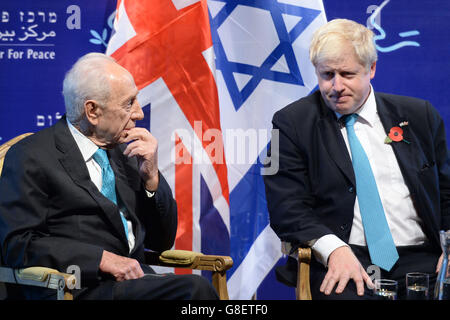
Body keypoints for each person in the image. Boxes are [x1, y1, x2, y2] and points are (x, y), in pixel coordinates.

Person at [0, 53, 218, 300]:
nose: (139, 114)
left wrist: (151, 179)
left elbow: (162, 241)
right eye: (129, 103)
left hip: (135, 285)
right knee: (194, 290)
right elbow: (19, 244)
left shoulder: (126, 154)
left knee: (192, 289)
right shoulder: (32, 155)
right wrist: (100, 259)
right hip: (76, 288)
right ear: (92, 111)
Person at [263, 19, 450, 299]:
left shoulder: (420, 115)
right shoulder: (292, 123)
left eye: (347, 74)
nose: (336, 86)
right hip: (346, 259)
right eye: (327, 74)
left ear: (371, 68)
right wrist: (333, 249)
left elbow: (446, 191)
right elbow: (286, 207)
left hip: (423, 257)